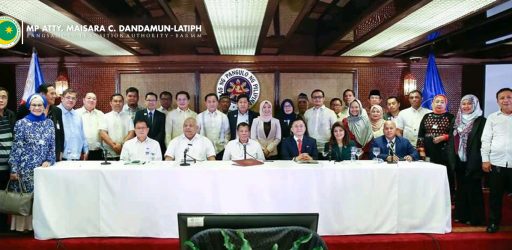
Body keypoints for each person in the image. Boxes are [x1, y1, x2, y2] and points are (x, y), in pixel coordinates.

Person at [9, 94, 55, 232]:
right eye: (33, 105)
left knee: (42, 198)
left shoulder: (49, 123)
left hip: (43, 169)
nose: (36, 107)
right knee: (26, 199)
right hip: (24, 169)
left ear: (44, 106)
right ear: (29, 106)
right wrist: (14, 169)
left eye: (39, 105)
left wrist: (49, 160)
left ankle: (40, 226)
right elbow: (16, 147)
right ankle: (26, 228)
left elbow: (52, 145)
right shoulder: (21, 123)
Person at [447, 94, 486, 226]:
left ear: (475, 105)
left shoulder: (481, 121)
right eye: (463, 104)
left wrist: (479, 160)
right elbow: (452, 141)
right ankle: (461, 215)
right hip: (458, 160)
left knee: (473, 188)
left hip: (474, 159)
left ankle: (475, 218)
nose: (466, 106)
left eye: (469, 103)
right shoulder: (456, 120)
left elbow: (484, 142)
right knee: (461, 188)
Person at [481, 87, 512, 233]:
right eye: (502, 98)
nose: (506, 100)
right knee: (495, 196)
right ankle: (494, 223)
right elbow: (486, 140)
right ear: (498, 101)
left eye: (509, 97)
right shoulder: (493, 117)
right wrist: (485, 160)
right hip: (497, 163)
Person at [417, 94, 455, 193]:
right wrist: (421, 153)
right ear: (432, 103)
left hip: (445, 153)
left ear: (446, 104)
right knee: (429, 176)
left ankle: (449, 198)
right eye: (437, 101)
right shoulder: (426, 116)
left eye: (442, 102)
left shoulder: (451, 117)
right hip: (428, 152)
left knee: (446, 176)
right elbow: (420, 136)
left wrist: (443, 137)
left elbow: (455, 135)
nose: (439, 104)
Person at [17, 84, 64, 161]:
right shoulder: (25, 109)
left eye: (55, 93)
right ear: (42, 94)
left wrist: (61, 151)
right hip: (29, 158)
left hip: (52, 157)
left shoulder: (57, 111)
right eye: (52, 93)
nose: (55, 96)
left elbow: (60, 133)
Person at [100, 94, 135, 160]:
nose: (118, 103)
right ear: (111, 103)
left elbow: (131, 133)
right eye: (115, 101)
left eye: (120, 101)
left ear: (123, 103)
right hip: (109, 154)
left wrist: (121, 145)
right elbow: (102, 133)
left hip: (125, 152)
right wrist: (114, 146)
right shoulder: (105, 117)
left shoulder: (128, 117)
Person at [197, 93, 230, 160]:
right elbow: (197, 134)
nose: (212, 104)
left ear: (217, 103)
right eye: (209, 102)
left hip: (221, 151)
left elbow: (227, 134)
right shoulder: (199, 116)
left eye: (214, 101)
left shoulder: (223, 116)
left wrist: (224, 146)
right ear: (205, 103)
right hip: (204, 150)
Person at [0, 87, 15, 232]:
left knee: (4, 199)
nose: (1, 99)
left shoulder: (10, 115)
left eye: (3, 97)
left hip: (7, 167)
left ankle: (3, 228)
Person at [58, 89, 89, 160]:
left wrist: (86, 150)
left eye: (73, 98)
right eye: (68, 97)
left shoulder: (77, 115)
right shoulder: (55, 112)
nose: (71, 100)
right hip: (61, 158)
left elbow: (82, 134)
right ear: (62, 98)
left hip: (77, 157)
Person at [304, 89, 337, 154]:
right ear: (312, 99)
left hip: (326, 145)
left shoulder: (331, 113)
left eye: (319, 97)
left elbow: (335, 130)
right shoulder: (307, 113)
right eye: (315, 97)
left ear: (323, 98)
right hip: (310, 146)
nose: (317, 99)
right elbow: (304, 130)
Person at [76, 92, 105, 160]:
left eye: (94, 99)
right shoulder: (76, 113)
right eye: (89, 98)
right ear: (84, 100)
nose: (91, 100)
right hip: (81, 152)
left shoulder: (100, 114)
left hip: (97, 152)